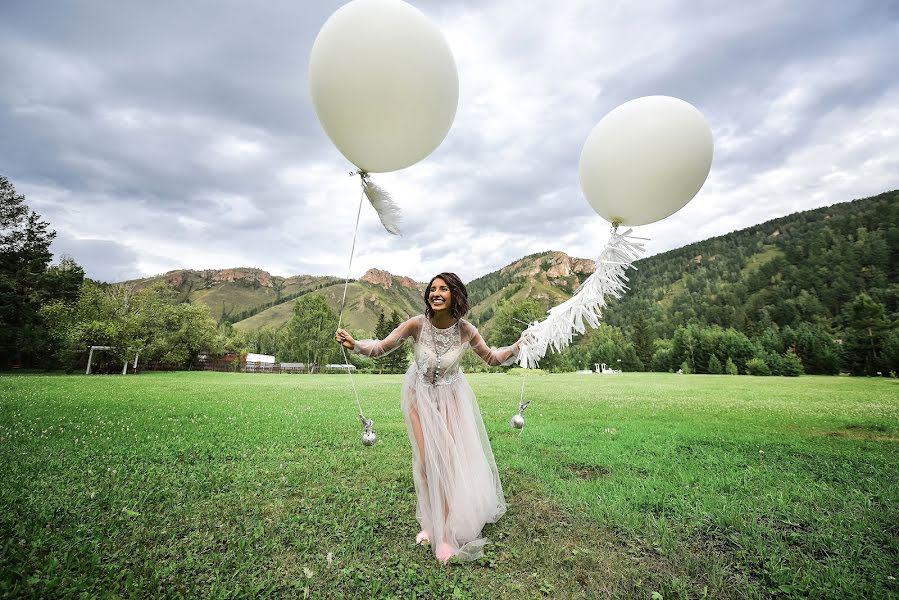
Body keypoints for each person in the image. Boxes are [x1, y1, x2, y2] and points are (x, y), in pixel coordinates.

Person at [335, 272, 522, 563]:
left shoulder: (466, 331)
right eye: (432, 289)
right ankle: (429, 523)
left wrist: (520, 346)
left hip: (451, 401)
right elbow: (382, 347)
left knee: (445, 464)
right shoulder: (416, 325)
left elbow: (492, 358)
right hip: (418, 398)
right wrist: (355, 344)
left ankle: (446, 535)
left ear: (455, 295)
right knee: (425, 464)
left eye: (443, 289)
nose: (436, 293)